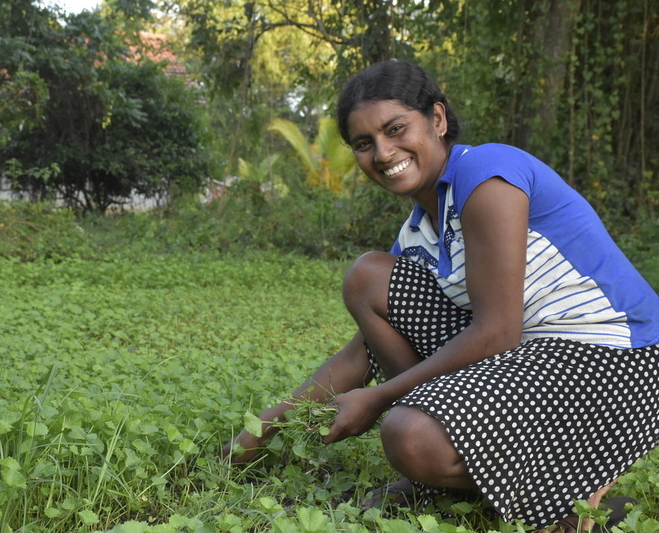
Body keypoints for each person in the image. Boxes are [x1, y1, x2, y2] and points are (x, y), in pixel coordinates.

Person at [222, 59, 659, 532]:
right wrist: (262, 428)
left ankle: (566, 502)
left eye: (395, 129)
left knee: (409, 433)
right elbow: (360, 353)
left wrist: (378, 400)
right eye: (364, 144)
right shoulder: (418, 231)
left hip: (615, 360)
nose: (384, 153)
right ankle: (499, 479)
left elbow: (497, 332)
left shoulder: (488, 175)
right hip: (529, 360)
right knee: (368, 277)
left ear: (437, 119)